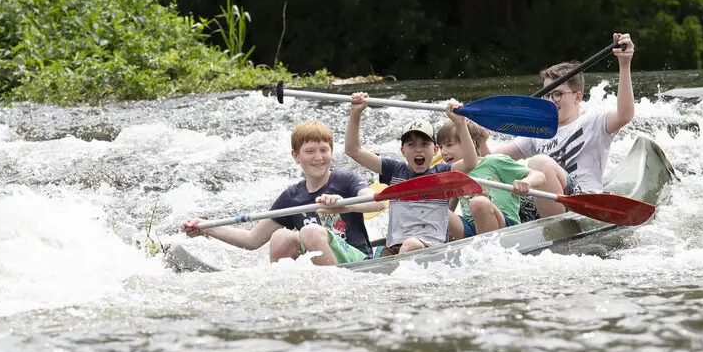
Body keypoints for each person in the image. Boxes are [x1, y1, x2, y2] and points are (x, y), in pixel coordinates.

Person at [180, 121, 384, 266]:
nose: (319, 157)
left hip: (358, 260)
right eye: (310, 151)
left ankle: (332, 285)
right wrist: (206, 228)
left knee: (310, 231)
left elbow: (377, 203)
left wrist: (345, 205)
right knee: (280, 236)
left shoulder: (344, 179)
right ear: (296, 156)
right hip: (316, 265)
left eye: (324, 150)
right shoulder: (292, 197)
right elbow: (252, 240)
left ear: (331, 153)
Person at [490, 32, 636, 218]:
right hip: (543, 203)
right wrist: (463, 130)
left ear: (578, 96)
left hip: (582, 202)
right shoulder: (538, 131)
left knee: (540, 162)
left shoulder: (594, 120)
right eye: (547, 95)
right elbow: (492, 158)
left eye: (557, 94)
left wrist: (625, 64)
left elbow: (625, 115)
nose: (551, 101)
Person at [345, 92, 460, 254]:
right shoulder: (393, 170)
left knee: (410, 244)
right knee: (384, 254)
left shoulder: (443, 173)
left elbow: (471, 162)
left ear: (435, 150)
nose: (418, 149)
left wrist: (459, 122)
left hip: (433, 248)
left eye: (424, 144)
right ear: (402, 151)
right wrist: (355, 113)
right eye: (411, 144)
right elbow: (353, 151)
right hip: (396, 248)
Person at [437, 116, 547, 239]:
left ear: (471, 144)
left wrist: (526, 181)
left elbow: (540, 175)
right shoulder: (456, 174)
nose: (443, 152)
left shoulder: (494, 161)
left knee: (478, 203)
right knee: (435, 209)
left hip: (504, 225)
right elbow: (449, 209)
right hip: (472, 229)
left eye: (449, 145)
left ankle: (487, 253)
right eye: (441, 147)